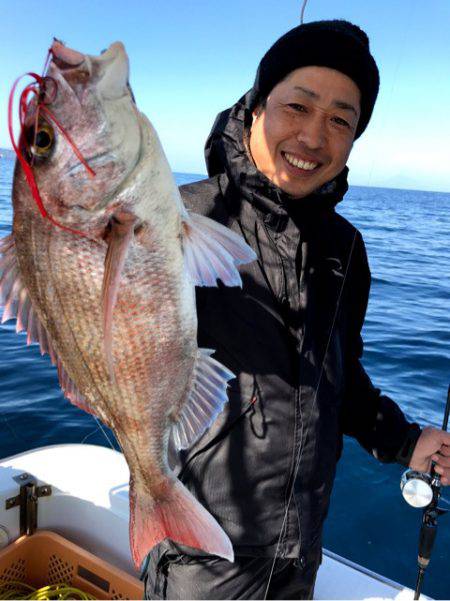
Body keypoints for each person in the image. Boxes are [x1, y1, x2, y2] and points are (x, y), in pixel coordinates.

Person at [144, 19, 450, 600]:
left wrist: (403, 440)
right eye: (297, 106)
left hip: (301, 547)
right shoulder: (176, 223)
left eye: (341, 120)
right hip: (201, 550)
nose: (313, 137)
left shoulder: (345, 247)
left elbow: (338, 374)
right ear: (257, 106)